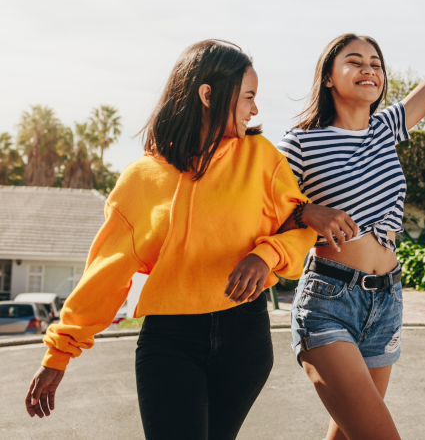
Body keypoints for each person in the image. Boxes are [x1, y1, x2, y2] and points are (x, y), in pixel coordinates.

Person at [24, 40, 317, 440]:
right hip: (170, 342)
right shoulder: (141, 178)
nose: (255, 109)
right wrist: (60, 352)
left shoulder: (261, 158)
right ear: (208, 94)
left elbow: (300, 222)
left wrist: (267, 255)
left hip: (244, 338)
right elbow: (106, 272)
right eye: (248, 96)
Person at [276, 0, 425, 440]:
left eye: (375, 63)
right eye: (353, 61)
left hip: (386, 300)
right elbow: (263, 209)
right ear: (329, 76)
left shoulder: (386, 127)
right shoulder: (300, 143)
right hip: (329, 299)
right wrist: (306, 212)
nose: (368, 69)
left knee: (348, 435)